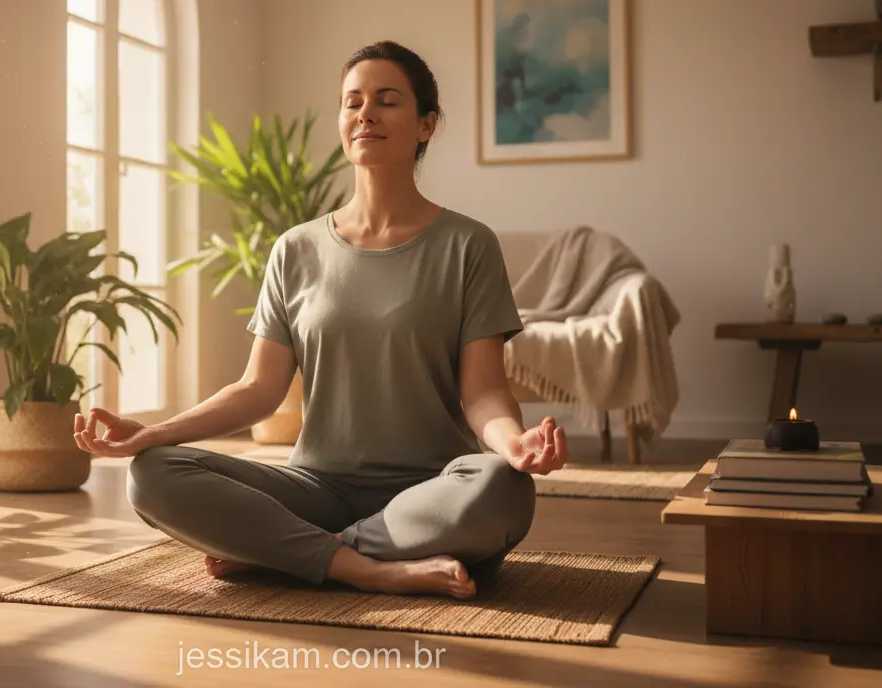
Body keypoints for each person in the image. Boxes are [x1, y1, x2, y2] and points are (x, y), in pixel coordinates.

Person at [73, 40, 568, 599]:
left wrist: (514, 444)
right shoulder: (296, 249)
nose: (366, 114)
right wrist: (152, 433)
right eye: (352, 102)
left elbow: (483, 392)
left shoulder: (468, 245)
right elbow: (258, 390)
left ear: (427, 124)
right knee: (154, 474)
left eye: (387, 101)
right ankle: (366, 566)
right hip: (312, 486)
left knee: (503, 487)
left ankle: (285, 552)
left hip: (431, 489)